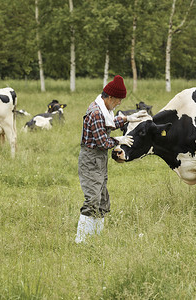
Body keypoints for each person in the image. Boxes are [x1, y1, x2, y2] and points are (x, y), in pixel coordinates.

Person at [75, 75, 147, 243]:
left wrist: (127, 119)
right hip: (91, 159)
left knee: (102, 199)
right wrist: (118, 140)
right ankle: (81, 241)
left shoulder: (102, 109)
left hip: (98, 160)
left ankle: (96, 238)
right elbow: (102, 142)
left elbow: (109, 122)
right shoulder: (96, 113)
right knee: (92, 198)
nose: (119, 103)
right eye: (118, 100)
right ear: (110, 97)